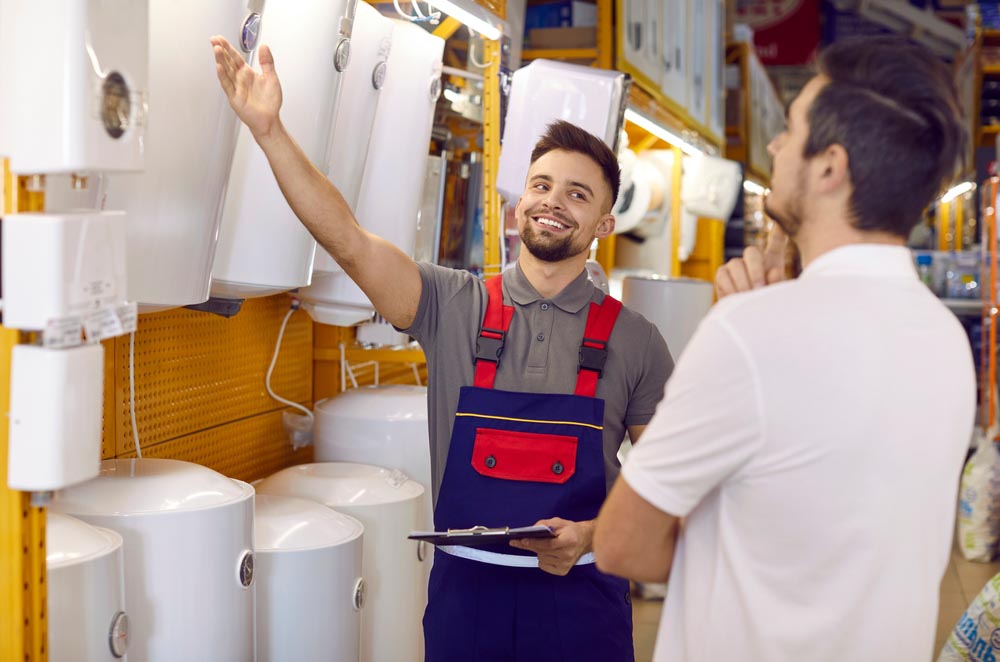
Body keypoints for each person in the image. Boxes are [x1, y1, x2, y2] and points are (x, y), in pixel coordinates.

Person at [210, 36, 672, 661]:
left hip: (582, 600)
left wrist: (594, 532)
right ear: (517, 206)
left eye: (577, 194)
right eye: (541, 185)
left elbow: (667, 481)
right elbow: (346, 240)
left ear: (603, 226)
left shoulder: (636, 340)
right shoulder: (453, 303)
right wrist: (269, 132)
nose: (553, 203)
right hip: (466, 601)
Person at [593, 35, 975, 662]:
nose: (773, 146)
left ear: (829, 166)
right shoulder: (946, 339)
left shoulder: (750, 333)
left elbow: (621, 544)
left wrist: (752, 318)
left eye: (791, 131)